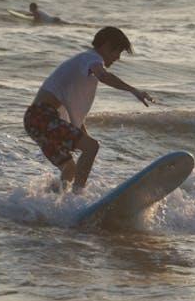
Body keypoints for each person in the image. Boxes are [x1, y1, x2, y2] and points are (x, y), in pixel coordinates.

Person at [24, 26, 153, 193]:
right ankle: (77, 196)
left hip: (36, 120)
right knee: (92, 147)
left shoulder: (83, 67)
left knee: (69, 169)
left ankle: (53, 201)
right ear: (106, 46)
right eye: (117, 51)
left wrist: (84, 135)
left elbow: (74, 112)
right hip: (42, 117)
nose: (117, 58)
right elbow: (104, 76)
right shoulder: (90, 58)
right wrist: (133, 90)